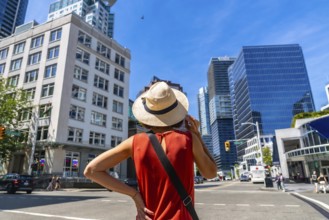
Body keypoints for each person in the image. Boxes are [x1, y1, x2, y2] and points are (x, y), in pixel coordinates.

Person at [84, 81, 217, 219]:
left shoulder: (134, 142)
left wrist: (134, 194)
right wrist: (197, 135)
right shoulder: (188, 140)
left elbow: (91, 170)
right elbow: (211, 173)